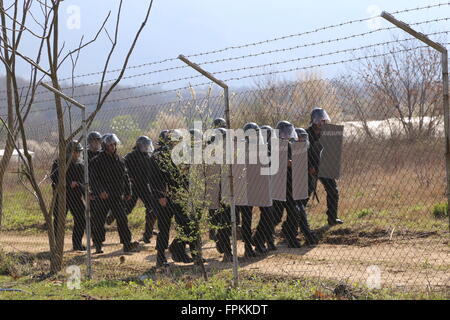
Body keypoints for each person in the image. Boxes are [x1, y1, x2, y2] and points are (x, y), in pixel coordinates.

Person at [151, 129, 201, 267]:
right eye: (174, 141)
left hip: (180, 196)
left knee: (187, 225)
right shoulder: (159, 156)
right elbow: (155, 178)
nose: (176, 144)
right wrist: (160, 195)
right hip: (165, 198)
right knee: (164, 228)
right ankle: (160, 257)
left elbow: (187, 176)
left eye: (178, 141)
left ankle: (195, 255)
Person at [89, 133, 139, 254]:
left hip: (117, 196)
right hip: (103, 197)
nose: (113, 147)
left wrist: (128, 191)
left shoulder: (120, 160)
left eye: (114, 144)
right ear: (104, 145)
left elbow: (125, 176)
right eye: (110, 145)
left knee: (122, 218)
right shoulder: (96, 161)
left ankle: (127, 244)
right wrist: (100, 191)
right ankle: (98, 244)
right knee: (99, 220)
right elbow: (93, 179)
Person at [271, 121, 317, 248]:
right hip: (277, 187)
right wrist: (283, 163)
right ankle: (261, 237)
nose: (286, 135)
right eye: (283, 132)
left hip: (291, 186)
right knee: (275, 217)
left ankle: (291, 237)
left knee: (296, 211)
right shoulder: (273, 145)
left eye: (288, 132)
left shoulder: (292, 146)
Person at [306, 108, 343, 226]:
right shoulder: (306, 134)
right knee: (304, 195)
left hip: (323, 166)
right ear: (313, 121)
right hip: (310, 168)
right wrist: (309, 166)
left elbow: (331, 151)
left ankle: (332, 218)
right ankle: (295, 223)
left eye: (323, 121)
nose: (321, 123)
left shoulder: (328, 133)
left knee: (333, 191)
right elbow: (301, 153)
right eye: (319, 121)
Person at [50, 140, 86, 251]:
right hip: (62, 196)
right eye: (76, 152)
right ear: (69, 152)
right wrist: (68, 183)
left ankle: (77, 244)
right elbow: (54, 177)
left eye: (79, 152)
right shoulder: (59, 162)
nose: (78, 154)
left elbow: (83, 181)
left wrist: (83, 189)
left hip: (75, 196)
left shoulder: (80, 164)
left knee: (81, 219)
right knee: (59, 220)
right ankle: (57, 245)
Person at [124, 136, 158, 244]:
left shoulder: (149, 156)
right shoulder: (130, 156)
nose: (147, 147)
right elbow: (124, 168)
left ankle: (148, 233)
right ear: (139, 146)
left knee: (152, 207)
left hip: (144, 186)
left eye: (148, 145)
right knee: (127, 209)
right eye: (144, 145)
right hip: (133, 187)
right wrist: (129, 178)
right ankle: (113, 216)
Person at [252, 125, 277, 253]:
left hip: (266, 185)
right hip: (254, 187)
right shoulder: (251, 149)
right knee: (268, 213)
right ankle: (259, 240)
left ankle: (262, 239)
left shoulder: (270, 148)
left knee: (269, 214)